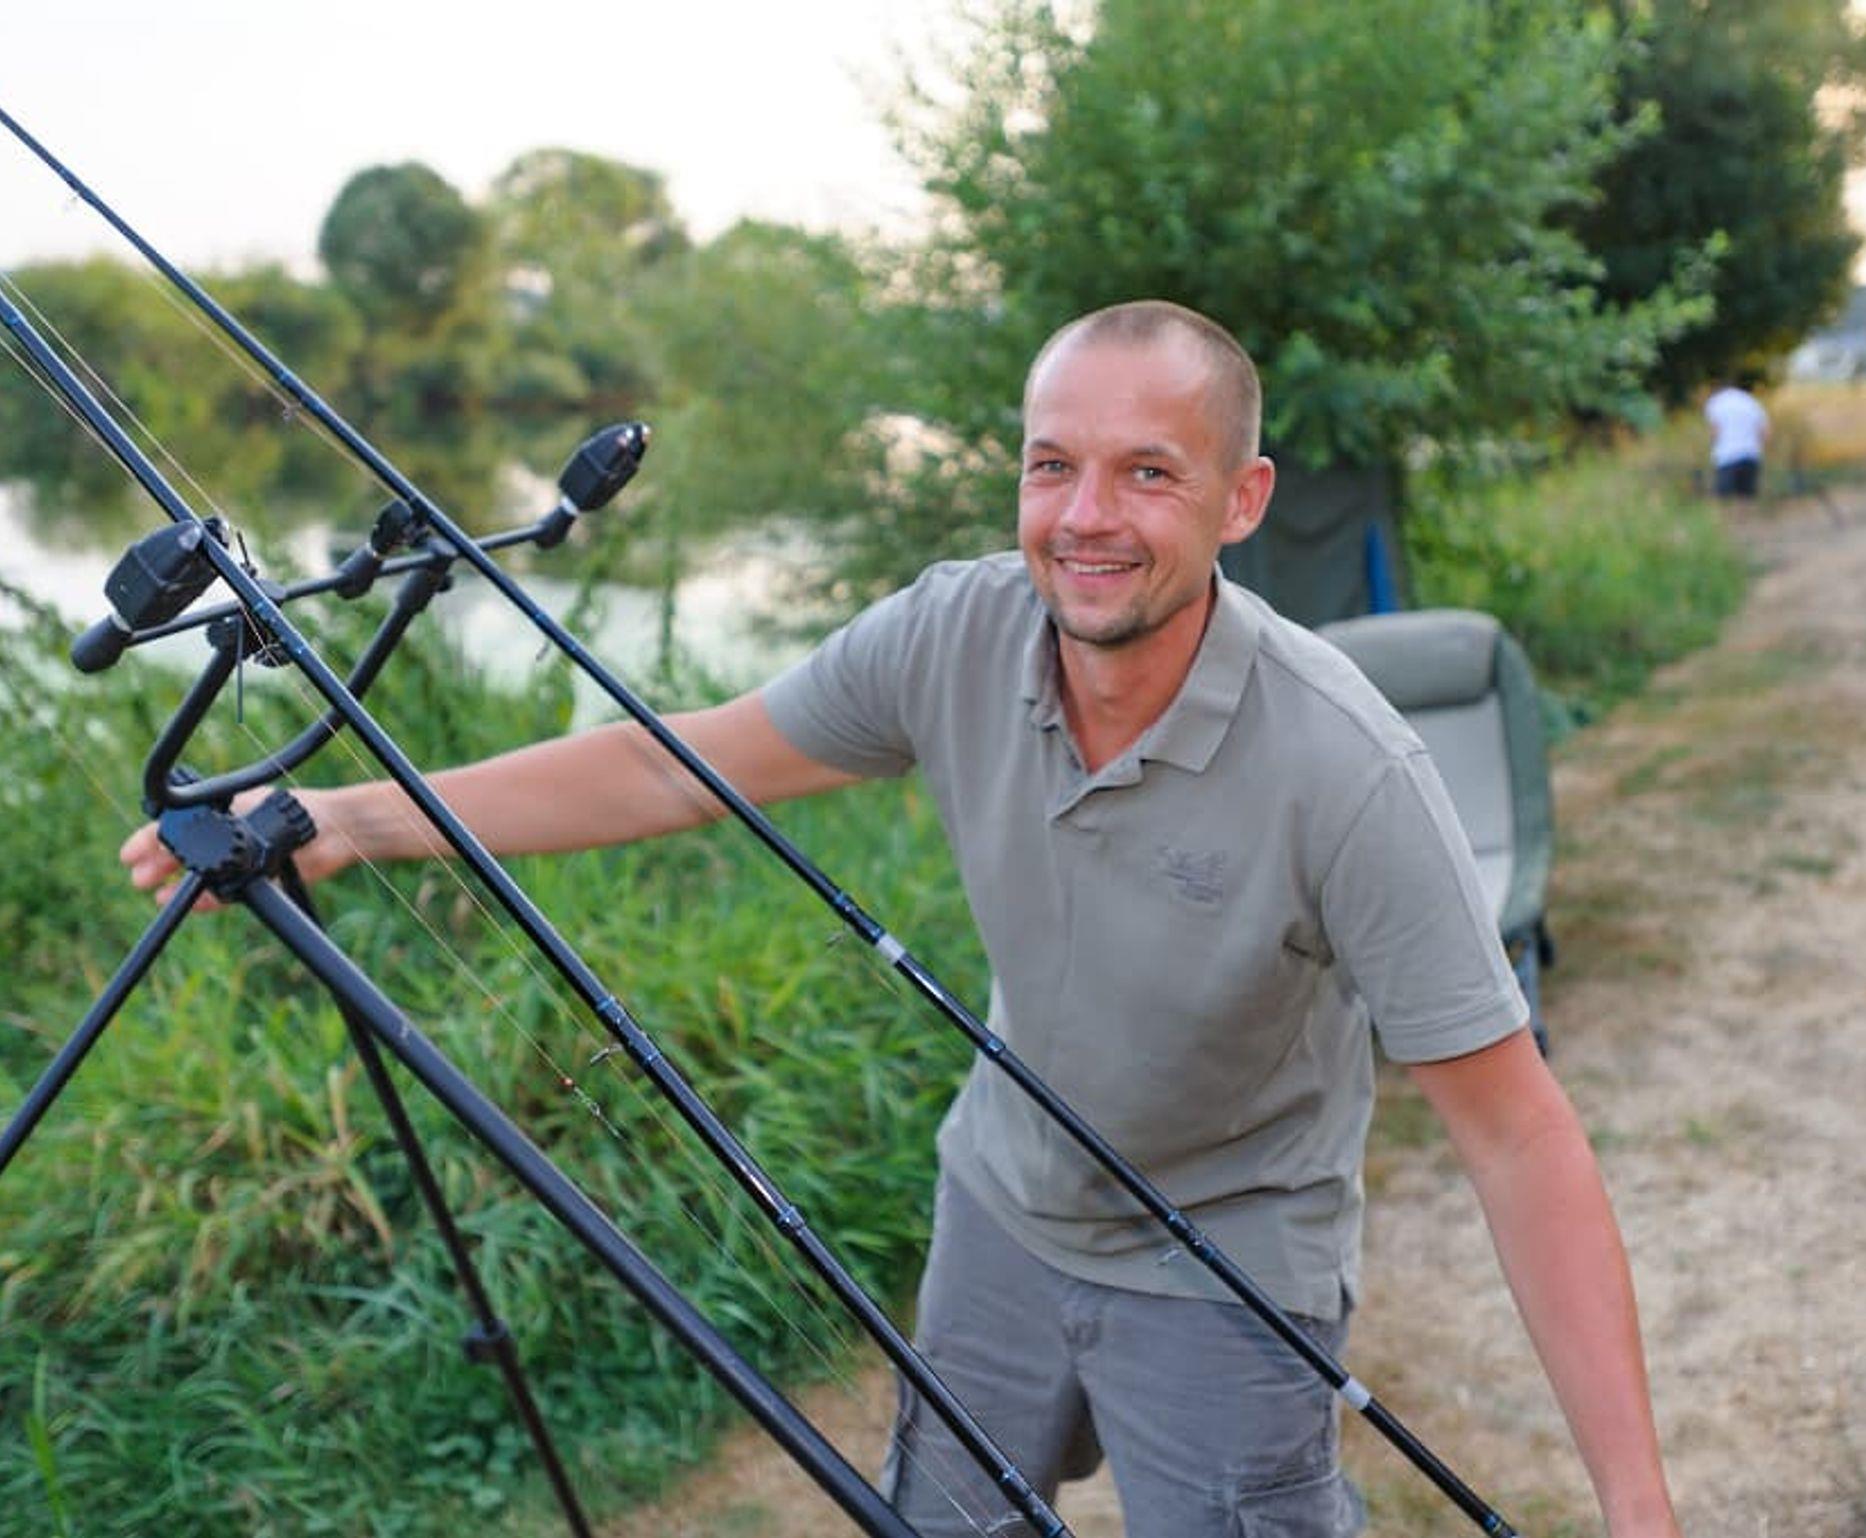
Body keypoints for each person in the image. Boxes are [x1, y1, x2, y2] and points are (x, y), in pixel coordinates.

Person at [123, 301, 1681, 1538]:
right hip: (999, 1206)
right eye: (1052, 464)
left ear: (1242, 498)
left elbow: (1519, 1136)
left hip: (1229, 1265)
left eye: (1149, 472)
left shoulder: (1348, 769)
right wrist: (352, 818)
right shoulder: (954, 629)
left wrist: (1638, 1510)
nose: (1086, 515)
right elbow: (679, 763)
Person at [1703, 377, 1769, 499]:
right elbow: (1764, 433)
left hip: (1726, 456)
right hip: (1750, 455)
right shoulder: (1751, 401)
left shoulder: (1716, 402)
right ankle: (1744, 513)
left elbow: (1715, 431)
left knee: (1724, 499)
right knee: (1746, 498)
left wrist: (1711, 450)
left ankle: (1727, 513)